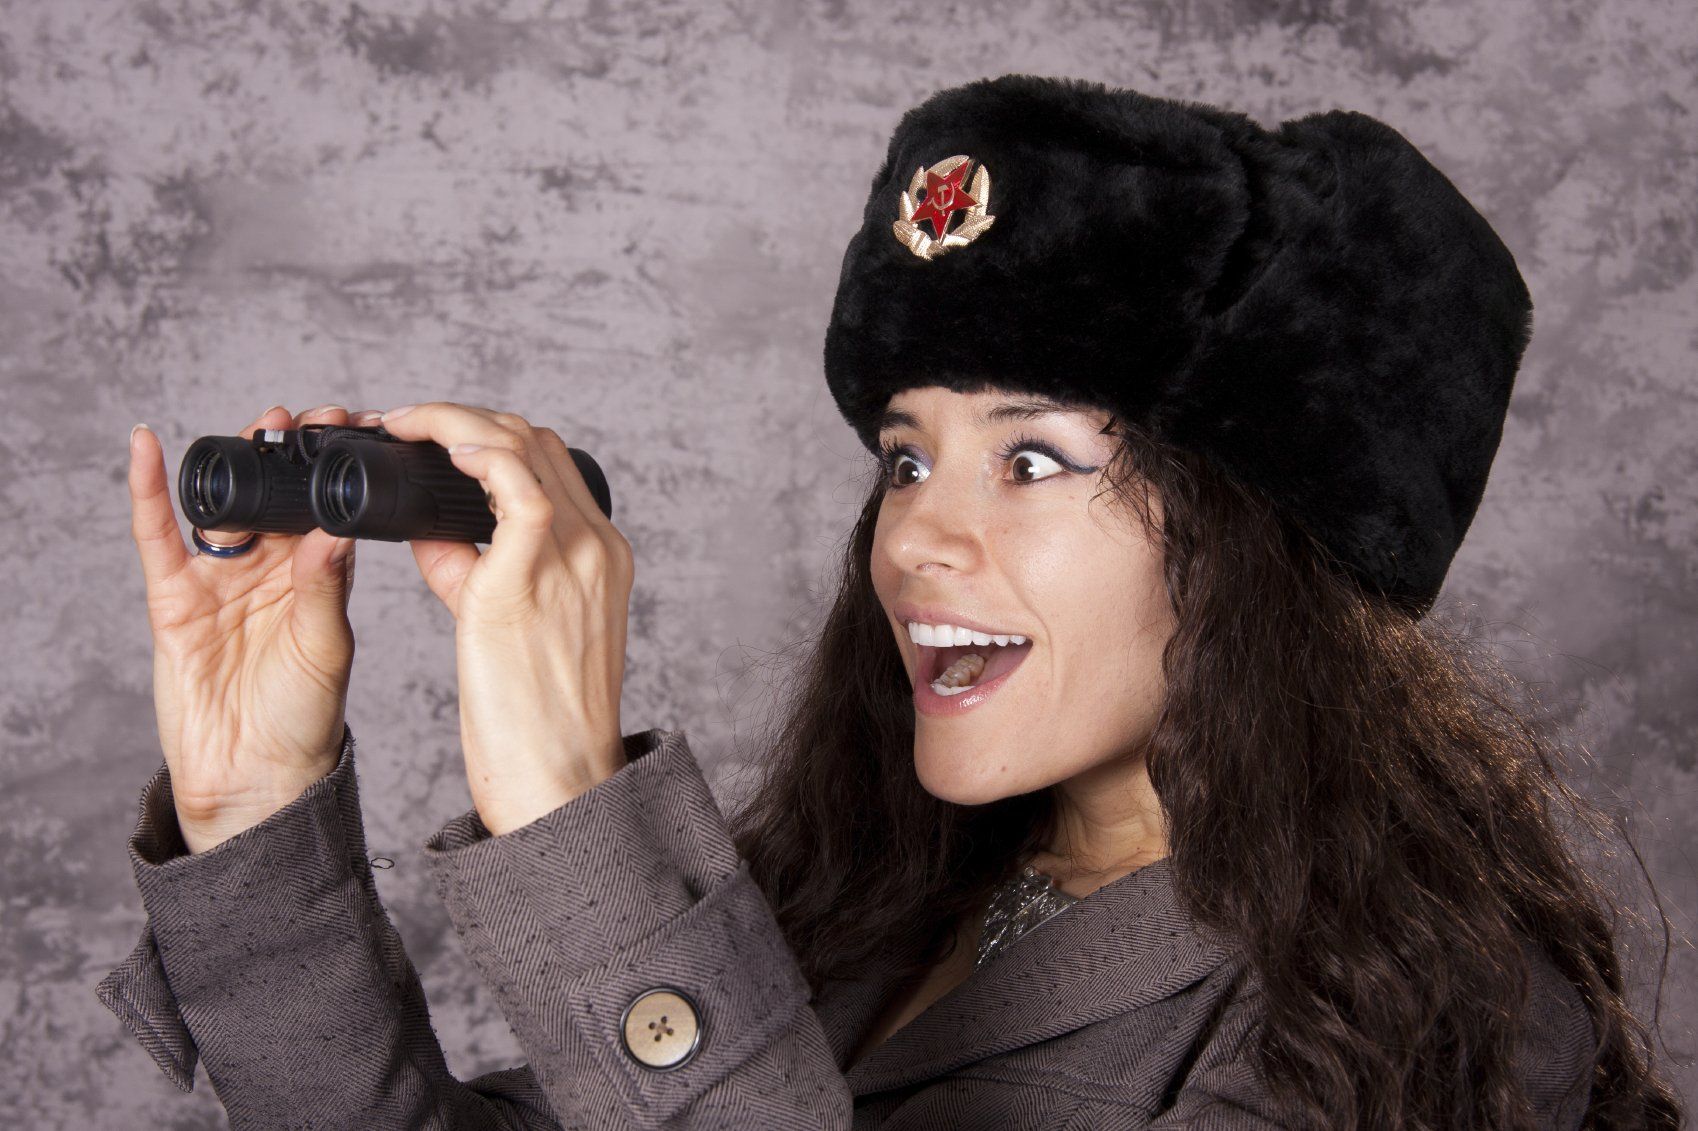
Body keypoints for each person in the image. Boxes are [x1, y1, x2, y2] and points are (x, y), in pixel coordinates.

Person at [97, 75, 1682, 1129]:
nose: (915, 536)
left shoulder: (1426, 1030)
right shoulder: (864, 902)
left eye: (1036, 460)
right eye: (906, 454)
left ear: (1269, 537)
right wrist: (255, 809)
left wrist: (579, 822)